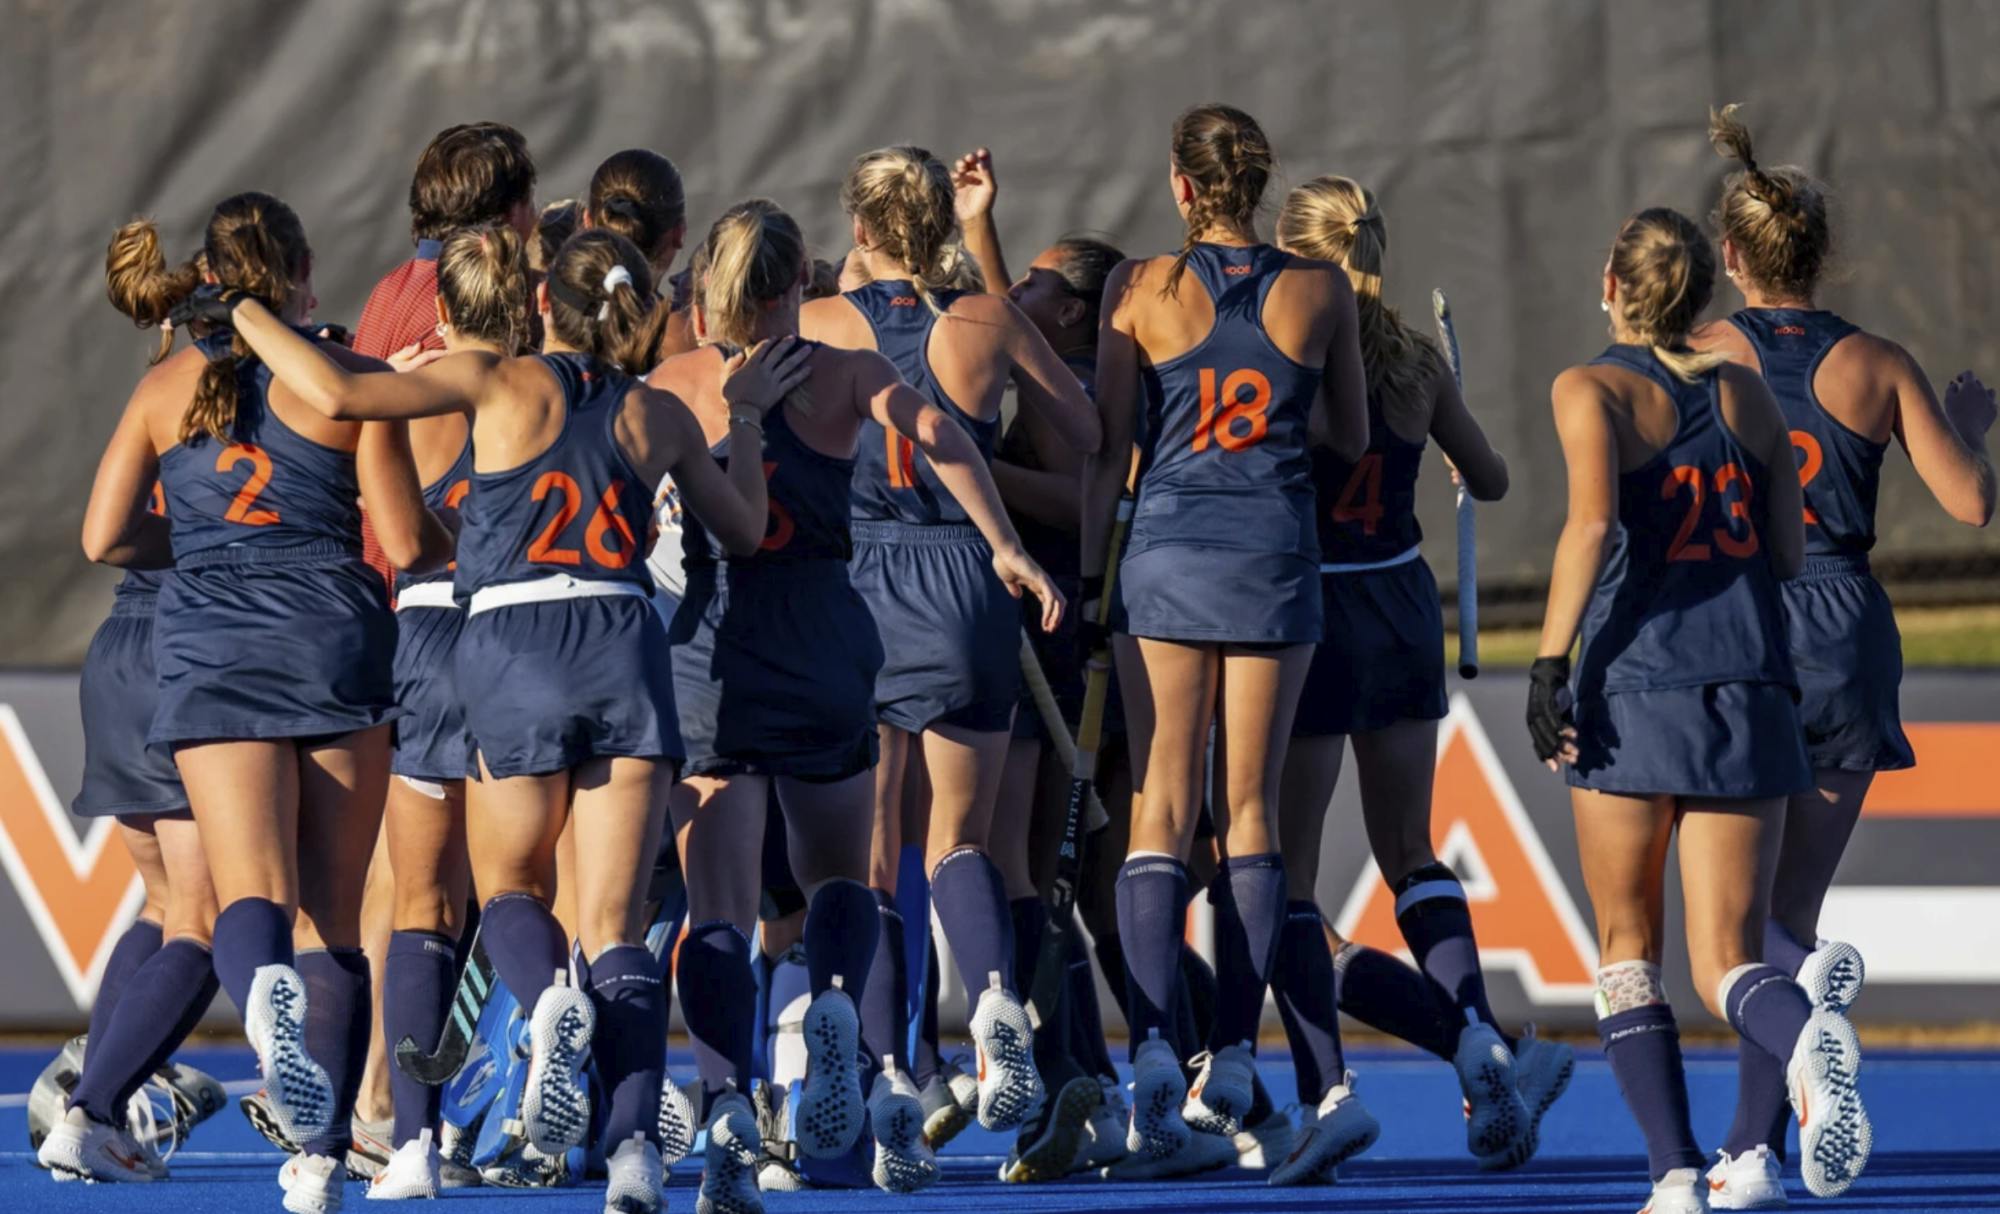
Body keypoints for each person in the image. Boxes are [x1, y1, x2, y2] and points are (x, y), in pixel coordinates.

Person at [221, 225, 810, 1214]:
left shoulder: (496, 383)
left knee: (497, 894)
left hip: (511, 642)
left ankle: (532, 1018)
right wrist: (745, 416)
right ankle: (633, 1156)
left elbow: (338, 394)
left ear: (545, 304)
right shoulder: (657, 409)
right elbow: (744, 530)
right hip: (625, 643)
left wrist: (240, 308)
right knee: (615, 928)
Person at [652, 198, 1059, 1207]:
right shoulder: (843, 373)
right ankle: (836, 1011)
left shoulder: (675, 385)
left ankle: (727, 1107)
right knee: (841, 874)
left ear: (707, 291)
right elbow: (941, 434)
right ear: (802, 284)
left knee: (719, 905)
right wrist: (1004, 546)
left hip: (714, 649)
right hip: (824, 637)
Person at [58, 193, 452, 1214]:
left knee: (249, 900)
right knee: (335, 922)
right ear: (301, 274)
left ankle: (261, 1005)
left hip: (213, 643)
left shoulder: (165, 385)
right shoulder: (344, 380)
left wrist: (204, 547)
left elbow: (103, 536)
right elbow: (405, 542)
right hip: (330, 633)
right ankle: (319, 1163)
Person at [1527, 205, 1870, 1214]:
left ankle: (1674, 1175)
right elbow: (1787, 554)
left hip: (1635, 690)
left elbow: (1590, 525)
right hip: (1751, 689)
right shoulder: (1747, 393)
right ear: (1701, 294)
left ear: (1610, 283)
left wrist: (1548, 664)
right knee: (1729, 958)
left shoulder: (1588, 387)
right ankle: (1802, 1040)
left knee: (1627, 951)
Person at [1689, 104, 1995, 1209]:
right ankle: (1751, 1150)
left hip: (1741, 618)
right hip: (1845, 626)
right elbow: (1969, 503)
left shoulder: (1701, 351)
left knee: (1731, 927)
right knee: (1789, 915)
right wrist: (1971, 431)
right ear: (1819, 254)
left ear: (1730, 255)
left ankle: (1755, 1135)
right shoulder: (1875, 362)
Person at [1268, 174, 1571, 1181]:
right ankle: (1479, 1041)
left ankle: (1330, 1093)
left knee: (1284, 874)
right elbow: (1491, 479)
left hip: (1313, 612)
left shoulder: (1288, 357)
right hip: (1398, 608)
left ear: (1292, 251)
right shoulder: (1414, 360)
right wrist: (1448, 451)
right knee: (1410, 850)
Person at [1081, 102, 1367, 1165]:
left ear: (1182, 185)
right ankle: (1236, 1053)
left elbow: (1111, 444)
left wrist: (1088, 580)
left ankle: (1157, 1045)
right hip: (1271, 555)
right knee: (1250, 809)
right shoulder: (1321, 289)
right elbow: (1349, 433)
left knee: (1160, 802)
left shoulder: (1138, 287)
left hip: (1167, 555)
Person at [800, 144, 1095, 1139]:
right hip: (968, 577)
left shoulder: (819, 324)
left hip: (863, 581)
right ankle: (997, 1001)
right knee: (962, 839)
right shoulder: (984, 320)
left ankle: (897, 1070)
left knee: (877, 849)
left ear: (860, 228)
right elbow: (1085, 428)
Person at [345, 123, 538, 1163]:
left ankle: (387, 1101)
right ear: (506, 214)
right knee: (485, 879)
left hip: (403, 605)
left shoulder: (390, 291)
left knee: (412, 873)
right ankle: (391, 1090)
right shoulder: (478, 327)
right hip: (477, 607)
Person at [32, 228, 234, 1183]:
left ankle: (89, 1092)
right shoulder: (253, 383)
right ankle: (97, 1108)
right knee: (209, 916)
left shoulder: (156, 386)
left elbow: (106, 534)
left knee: (163, 904)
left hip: (120, 650)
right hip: (180, 652)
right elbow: (107, 533)